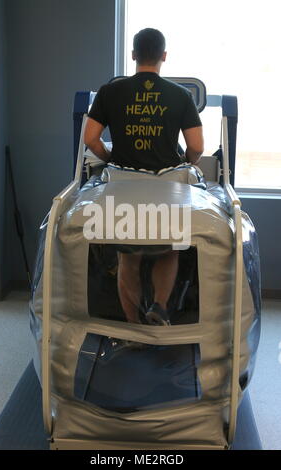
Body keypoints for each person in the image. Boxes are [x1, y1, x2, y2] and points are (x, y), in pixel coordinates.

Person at [85, 28, 204, 326]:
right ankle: (160, 307)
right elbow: (197, 147)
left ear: (134, 55)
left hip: (124, 190)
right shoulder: (180, 95)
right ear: (164, 56)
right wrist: (186, 164)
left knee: (129, 256)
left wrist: (111, 159)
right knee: (169, 251)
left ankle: (133, 325)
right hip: (166, 192)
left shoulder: (109, 92)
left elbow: (90, 139)